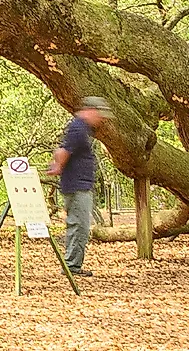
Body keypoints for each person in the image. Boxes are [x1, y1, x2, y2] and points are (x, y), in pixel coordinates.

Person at [49, 96, 114, 276]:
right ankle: (72, 266)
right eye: (99, 114)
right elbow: (63, 151)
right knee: (80, 226)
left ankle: (72, 264)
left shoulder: (82, 128)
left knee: (79, 225)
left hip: (79, 184)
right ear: (90, 111)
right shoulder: (78, 128)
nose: (101, 118)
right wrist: (58, 167)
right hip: (76, 185)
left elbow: (62, 150)